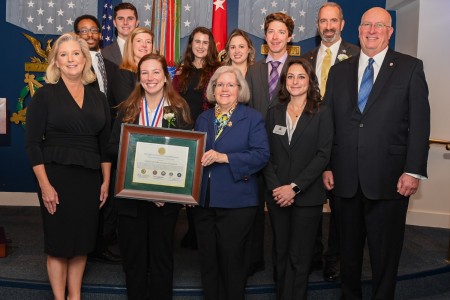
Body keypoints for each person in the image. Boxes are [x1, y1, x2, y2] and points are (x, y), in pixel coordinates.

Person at [323, 7, 430, 299]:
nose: (372, 30)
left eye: (379, 26)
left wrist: (413, 170)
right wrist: (327, 166)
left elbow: (420, 124)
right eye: (366, 25)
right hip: (344, 179)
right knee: (348, 254)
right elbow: (329, 123)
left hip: (390, 179)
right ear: (358, 30)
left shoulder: (409, 67)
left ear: (389, 31)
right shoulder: (339, 71)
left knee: (385, 256)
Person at [25, 32, 111, 300]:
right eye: (64, 55)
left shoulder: (99, 99)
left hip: (89, 179)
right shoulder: (44, 96)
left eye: (76, 53)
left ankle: (75, 296)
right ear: (57, 63)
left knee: (82, 243)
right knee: (59, 244)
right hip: (55, 178)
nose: (71, 59)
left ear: (85, 59)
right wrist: (45, 185)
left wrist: (106, 181)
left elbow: (105, 144)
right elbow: (32, 145)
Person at [107, 53, 192, 300]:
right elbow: (111, 147)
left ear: (165, 77)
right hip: (130, 198)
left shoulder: (179, 108)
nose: (150, 78)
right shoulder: (126, 109)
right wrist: (135, 149)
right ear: (138, 78)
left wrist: (164, 190)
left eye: (156, 72)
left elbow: (187, 153)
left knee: (161, 260)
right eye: (144, 73)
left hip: (164, 202)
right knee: (133, 260)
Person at [194, 66, 270, 300]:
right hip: (204, 202)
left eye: (230, 84)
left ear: (240, 89)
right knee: (208, 262)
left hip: (237, 202)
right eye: (219, 84)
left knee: (233, 262)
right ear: (212, 89)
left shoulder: (252, 118)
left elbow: (261, 155)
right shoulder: (203, 118)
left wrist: (224, 157)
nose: (224, 89)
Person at [264, 58, 332, 299]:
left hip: (307, 196)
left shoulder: (322, 113)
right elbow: (267, 154)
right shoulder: (274, 113)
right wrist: (277, 189)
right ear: (284, 82)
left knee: (299, 256)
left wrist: (294, 188)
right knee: (280, 253)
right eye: (290, 77)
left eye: (301, 77)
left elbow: (323, 154)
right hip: (277, 197)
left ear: (310, 80)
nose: (295, 81)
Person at [301, 2, 360, 281]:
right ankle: (312, 254)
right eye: (323, 21)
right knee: (310, 205)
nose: (328, 26)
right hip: (309, 145)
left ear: (342, 24)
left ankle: (333, 260)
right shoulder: (306, 57)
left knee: (340, 210)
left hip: (342, 147)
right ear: (317, 25)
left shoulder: (358, 56)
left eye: (333, 21)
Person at [245, 12, 295, 277]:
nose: (275, 37)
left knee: (281, 214)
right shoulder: (253, 71)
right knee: (253, 210)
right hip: (255, 152)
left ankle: (282, 267)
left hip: (285, 153)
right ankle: (253, 261)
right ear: (265, 37)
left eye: (281, 32)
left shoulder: (297, 69)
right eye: (271, 32)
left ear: (290, 36)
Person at [74, 14, 121, 264]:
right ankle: (88, 244)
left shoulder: (111, 66)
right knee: (88, 192)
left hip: (109, 136)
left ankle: (102, 240)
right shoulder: (74, 66)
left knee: (108, 189)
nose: (90, 35)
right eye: (84, 31)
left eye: (93, 30)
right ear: (76, 35)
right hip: (84, 139)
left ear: (100, 34)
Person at [173, 26, 220, 249]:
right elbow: (172, 101)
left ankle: (203, 232)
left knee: (204, 185)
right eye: (197, 41)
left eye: (205, 42)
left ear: (210, 46)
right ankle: (192, 231)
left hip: (209, 134)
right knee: (187, 184)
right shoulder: (181, 72)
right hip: (184, 134)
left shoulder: (218, 71)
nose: (201, 46)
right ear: (190, 44)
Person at [110, 27, 153, 107]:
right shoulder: (122, 74)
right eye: (139, 41)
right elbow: (127, 107)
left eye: (148, 42)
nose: (144, 45)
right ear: (131, 45)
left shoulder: (159, 73)